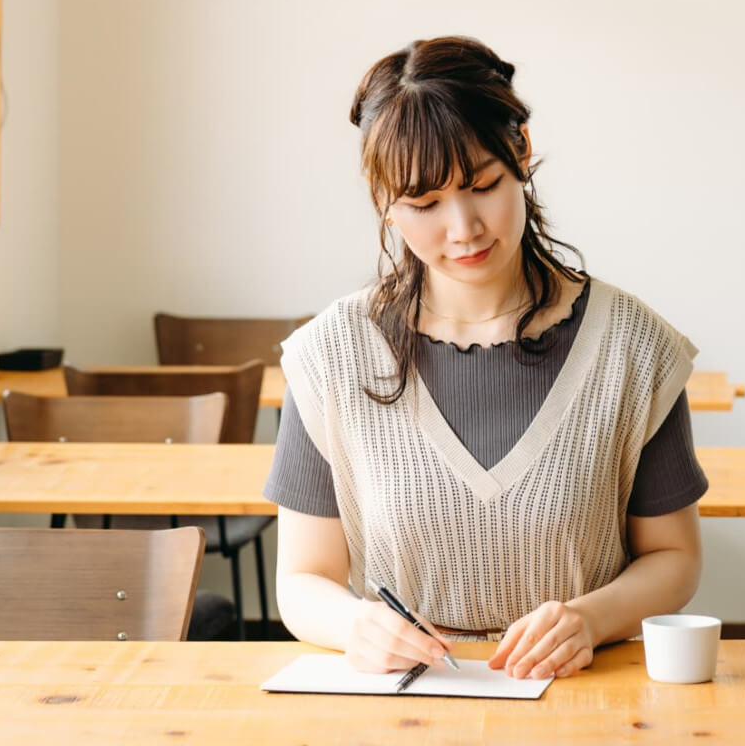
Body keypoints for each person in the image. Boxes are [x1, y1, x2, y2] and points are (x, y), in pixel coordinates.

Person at [263, 35, 706, 682]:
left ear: (520, 150)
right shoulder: (330, 354)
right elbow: (303, 580)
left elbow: (675, 558)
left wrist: (590, 619)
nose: (463, 227)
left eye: (482, 185)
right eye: (424, 204)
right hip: (405, 702)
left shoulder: (631, 345)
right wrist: (357, 626)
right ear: (383, 200)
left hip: (585, 696)